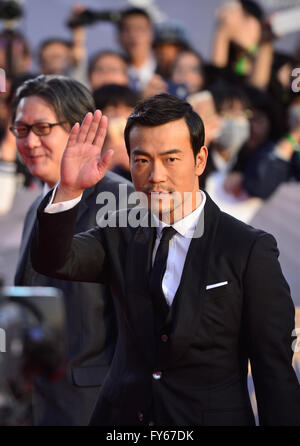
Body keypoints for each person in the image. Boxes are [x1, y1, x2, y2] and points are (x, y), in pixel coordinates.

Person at [31, 93, 300, 426]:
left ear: (200, 159)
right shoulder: (119, 232)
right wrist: (69, 189)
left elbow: (272, 369)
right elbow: (53, 261)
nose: (155, 175)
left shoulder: (247, 248)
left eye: (171, 159)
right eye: (142, 160)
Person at [12, 74, 133, 425]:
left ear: (81, 130)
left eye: (42, 128)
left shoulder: (119, 200)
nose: (30, 142)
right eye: (21, 129)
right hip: (37, 402)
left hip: (94, 405)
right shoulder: (40, 204)